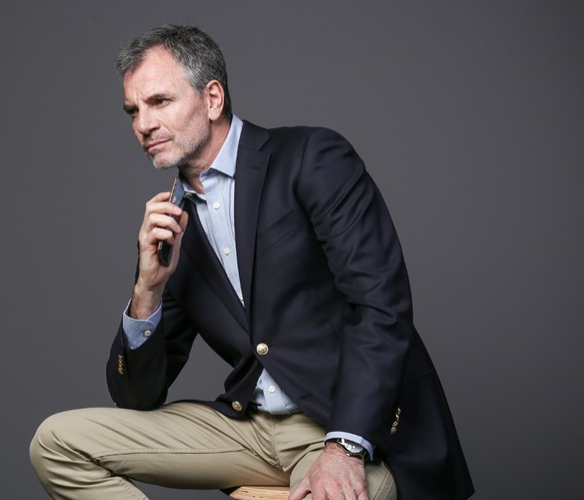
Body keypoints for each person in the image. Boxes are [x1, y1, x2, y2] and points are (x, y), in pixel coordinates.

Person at [30, 24, 474, 500]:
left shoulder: (310, 158)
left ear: (212, 99)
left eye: (159, 102)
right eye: (133, 111)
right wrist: (148, 290)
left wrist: (344, 448)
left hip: (339, 425)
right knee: (56, 443)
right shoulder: (172, 225)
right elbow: (137, 398)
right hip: (248, 429)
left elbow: (382, 308)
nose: (143, 124)